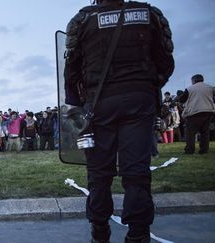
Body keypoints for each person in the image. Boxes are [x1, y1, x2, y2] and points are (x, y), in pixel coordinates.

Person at [64, 0, 174, 242]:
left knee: (98, 174)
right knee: (136, 172)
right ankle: (138, 235)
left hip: (99, 105)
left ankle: (100, 233)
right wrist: (145, 87)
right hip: (139, 102)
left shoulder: (84, 19)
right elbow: (166, 63)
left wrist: (79, 105)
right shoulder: (148, 14)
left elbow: (71, 70)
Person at [179, 74, 215, 154]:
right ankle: (204, 150)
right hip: (208, 111)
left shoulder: (190, 89)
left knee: (190, 133)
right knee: (205, 132)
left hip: (195, 112)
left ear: (193, 80)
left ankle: (190, 150)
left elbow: (181, 99)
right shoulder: (211, 88)